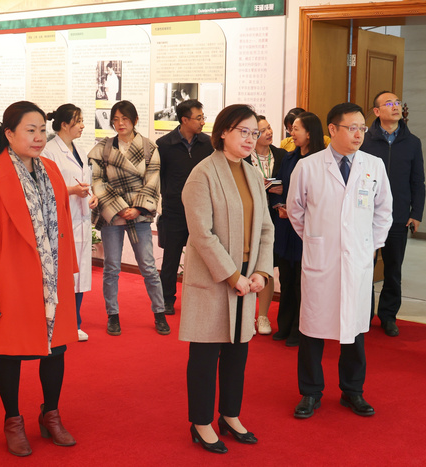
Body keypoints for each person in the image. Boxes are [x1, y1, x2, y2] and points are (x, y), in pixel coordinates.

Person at [0, 101, 78, 457]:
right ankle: (12, 421)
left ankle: (50, 414)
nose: (39, 137)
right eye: (30, 130)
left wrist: (70, 269)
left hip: (51, 277)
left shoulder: (51, 169)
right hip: (10, 279)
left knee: (56, 350)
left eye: (42, 130)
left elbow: (62, 221)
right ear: (9, 134)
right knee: (9, 352)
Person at [287, 103, 392, 419]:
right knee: (312, 329)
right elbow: (296, 210)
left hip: (357, 260)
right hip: (322, 260)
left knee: (354, 329)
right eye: (352, 128)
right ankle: (310, 392)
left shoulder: (374, 165)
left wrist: (367, 246)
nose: (359, 134)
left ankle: (352, 391)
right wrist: (317, 239)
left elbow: (383, 211)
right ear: (333, 129)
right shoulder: (308, 166)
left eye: (362, 128)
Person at [180, 104, 274, 454]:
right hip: (215, 277)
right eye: (243, 131)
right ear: (223, 132)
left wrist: (261, 271)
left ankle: (230, 415)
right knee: (205, 356)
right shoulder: (203, 173)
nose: (250, 139)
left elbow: (266, 228)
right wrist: (233, 275)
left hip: (247, 277)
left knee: (238, 353)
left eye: (254, 133)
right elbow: (201, 234)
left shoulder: (252, 173)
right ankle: (201, 422)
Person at [88, 100, 170, 336]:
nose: (119, 123)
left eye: (124, 118)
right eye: (115, 119)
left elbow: (153, 180)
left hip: (138, 213)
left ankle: (159, 313)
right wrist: (120, 207)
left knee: (148, 267)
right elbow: (97, 180)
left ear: (134, 120)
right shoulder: (103, 148)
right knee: (111, 267)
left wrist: (138, 209)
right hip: (113, 212)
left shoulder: (148, 147)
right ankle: (112, 315)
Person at [360, 91, 426, 337]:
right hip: (365, 216)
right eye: (389, 103)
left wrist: (416, 212)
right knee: (364, 266)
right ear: (377, 111)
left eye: (397, 102)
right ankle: (363, 314)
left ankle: (388, 316)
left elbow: (418, 181)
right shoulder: (365, 140)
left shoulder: (412, 142)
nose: (395, 106)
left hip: (397, 216)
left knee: (393, 269)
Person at [270, 111, 325, 346]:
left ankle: (299, 329)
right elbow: (279, 185)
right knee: (286, 278)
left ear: (309, 133)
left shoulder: (322, 161)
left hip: (306, 230)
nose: (291, 133)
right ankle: (284, 325)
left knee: (302, 284)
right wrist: (278, 205)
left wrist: (297, 211)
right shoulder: (289, 158)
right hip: (286, 228)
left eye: (296, 129)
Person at [43, 104, 98, 342]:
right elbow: (47, 188)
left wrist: (92, 195)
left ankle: (75, 322)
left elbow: (86, 180)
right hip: (62, 219)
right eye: (79, 121)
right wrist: (73, 191)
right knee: (64, 274)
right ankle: (62, 322)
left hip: (81, 219)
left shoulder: (79, 150)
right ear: (65, 124)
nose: (83, 126)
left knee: (80, 274)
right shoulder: (49, 152)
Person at [156, 99, 213, 316]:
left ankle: (201, 298)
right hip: (174, 211)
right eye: (198, 118)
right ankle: (166, 299)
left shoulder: (208, 144)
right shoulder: (164, 145)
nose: (202, 122)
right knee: (171, 258)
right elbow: (159, 177)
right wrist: (169, 197)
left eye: (203, 117)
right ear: (184, 120)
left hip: (201, 210)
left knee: (203, 257)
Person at [244, 114, 287, 335]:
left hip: (275, 218)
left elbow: (289, 184)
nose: (269, 132)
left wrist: (278, 188)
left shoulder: (282, 155)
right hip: (249, 218)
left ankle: (263, 316)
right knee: (248, 265)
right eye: (262, 131)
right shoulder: (244, 157)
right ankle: (247, 315)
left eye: (269, 128)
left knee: (267, 267)